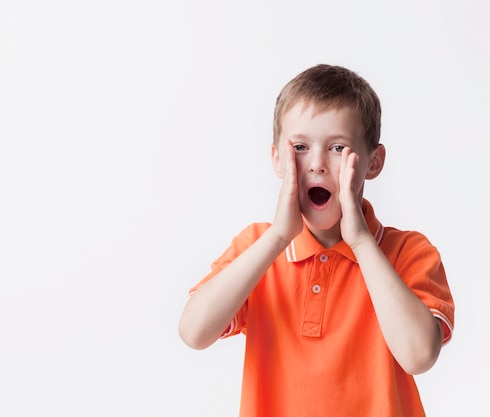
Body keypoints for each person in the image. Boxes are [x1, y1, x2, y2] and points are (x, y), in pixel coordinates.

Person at [178, 64, 455, 417]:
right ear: (278, 159)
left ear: (373, 162)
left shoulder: (409, 253)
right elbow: (193, 331)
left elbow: (418, 356)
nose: (318, 164)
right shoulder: (258, 247)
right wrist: (278, 237)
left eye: (338, 147)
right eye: (300, 146)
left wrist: (359, 241)